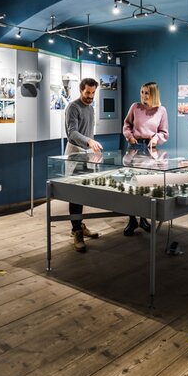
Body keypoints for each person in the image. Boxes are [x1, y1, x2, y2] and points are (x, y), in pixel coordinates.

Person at [122, 81, 169, 236]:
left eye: (146, 93)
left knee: (147, 187)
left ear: (154, 94)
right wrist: (129, 136)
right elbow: (127, 124)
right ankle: (132, 220)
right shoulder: (135, 107)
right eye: (142, 92)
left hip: (151, 150)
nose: (143, 96)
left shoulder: (161, 110)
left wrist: (156, 138)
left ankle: (143, 219)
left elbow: (164, 132)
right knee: (131, 186)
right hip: (134, 148)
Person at [65, 77, 103, 252]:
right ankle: (76, 231)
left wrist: (91, 145)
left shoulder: (91, 108)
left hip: (87, 154)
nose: (90, 96)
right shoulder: (73, 107)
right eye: (88, 92)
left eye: (93, 93)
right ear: (81, 90)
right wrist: (89, 141)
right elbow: (72, 133)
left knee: (84, 192)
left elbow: (90, 131)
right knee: (75, 194)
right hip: (75, 153)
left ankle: (80, 225)